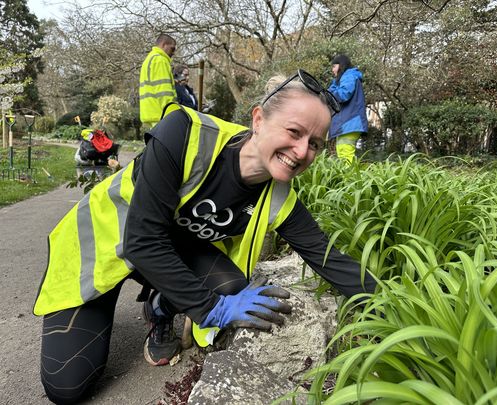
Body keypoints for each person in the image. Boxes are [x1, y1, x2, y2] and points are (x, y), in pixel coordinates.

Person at [34, 69, 377, 404]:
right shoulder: (186, 132)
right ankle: (105, 301)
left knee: (233, 287)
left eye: (315, 144)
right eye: (294, 131)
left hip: (167, 250)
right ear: (258, 120)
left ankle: (160, 307)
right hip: (101, 247)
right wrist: (211, 309)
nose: (302, 152)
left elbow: (327, 257)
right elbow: (141, 241)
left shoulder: (279, 195)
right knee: (67, 388)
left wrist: (389, 305)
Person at [327, 54, 369, 163]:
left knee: (345, 153)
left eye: (333, 66)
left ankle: (349, 178)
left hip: (350, 122)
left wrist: (330, 92)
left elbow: (343, 95)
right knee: (343, 152)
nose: (332, 70)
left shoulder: (349, 76)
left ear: (340, 65)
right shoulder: (345, 78)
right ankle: (349, 177)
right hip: (348, 123)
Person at [139, 34, 177, 128]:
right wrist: (173, 113)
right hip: (162, 115)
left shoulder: (149, 59)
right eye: (172, 49)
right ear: (164, 45)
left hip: (151, 113)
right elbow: (164, 91)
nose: (173, 53)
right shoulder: (160, 60)